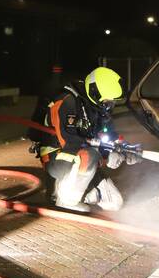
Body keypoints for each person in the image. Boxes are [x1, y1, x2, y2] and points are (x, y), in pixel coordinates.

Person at [31, 66, 139, 211]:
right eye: (107, 103)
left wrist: (125, 148)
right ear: (95, 92)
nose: (109, 107)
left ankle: (77, 193)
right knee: (90, 156)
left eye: (112, 103)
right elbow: (70, 144)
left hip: (81, 157)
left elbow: (109, 134)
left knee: (114, 203)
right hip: (57, 156)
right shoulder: (67, 102)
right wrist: (106, 155)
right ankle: (65, 199)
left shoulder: (96, 107)